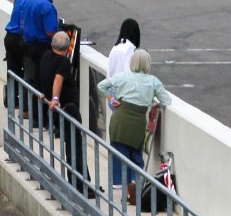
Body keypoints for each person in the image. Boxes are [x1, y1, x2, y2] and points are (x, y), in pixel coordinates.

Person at [97, 48, 172, 203]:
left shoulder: (123, 76)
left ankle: (125, 189)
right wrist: (155, 106)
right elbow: (166, 101)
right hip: (137, 122)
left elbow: (101, 85)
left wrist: (112, 99)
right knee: (136, 157)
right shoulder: (153, 81)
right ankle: (135, 185)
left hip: (119, 119)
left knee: (120, 156)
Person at [40, 31, 92, 196]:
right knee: (75, 146)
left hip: (56, 110)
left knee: (74, 145)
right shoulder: (63, 62)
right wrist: (55, 98)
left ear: (52, 45)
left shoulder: (46, 56)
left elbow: (47, 76)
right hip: (68, 108)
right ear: (68, 47)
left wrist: (45, 94)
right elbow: (58, 79)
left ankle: (84, 180)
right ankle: (78, 184)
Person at [3, 0, 44, 109]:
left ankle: (11, 99)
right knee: (29, 72)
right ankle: (26, 106)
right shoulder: (35, 3)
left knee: (12, 70)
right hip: (23, 40)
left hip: (10, 38)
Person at [22, 0, 58, 98]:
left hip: (27, 46)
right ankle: (40, 107)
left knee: (30, 78)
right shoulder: (47, 6)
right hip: (42, 49)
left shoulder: (28, 1)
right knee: (43, 81)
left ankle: (29, 105)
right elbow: (51, 32)